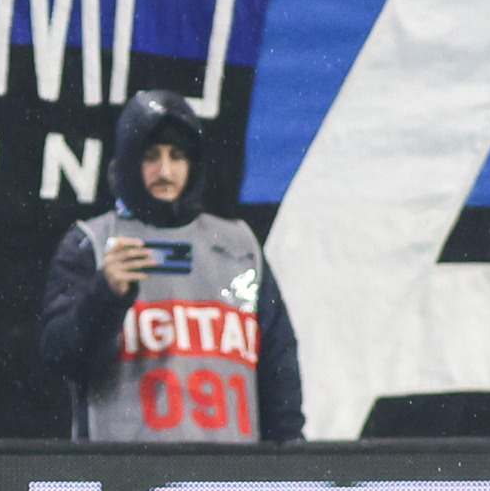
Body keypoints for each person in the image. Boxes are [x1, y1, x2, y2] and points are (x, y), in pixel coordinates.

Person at [39, 89, 304, 443]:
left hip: (232, 474)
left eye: (177, 156)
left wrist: (289, 460)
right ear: (128, 162)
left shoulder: (241, 247)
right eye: (150, 156)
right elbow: (61, 357)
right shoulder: (92, 243)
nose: (164, 171)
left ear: (193, 164)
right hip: (122, 471)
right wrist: (105, 296)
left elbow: (278, 372)